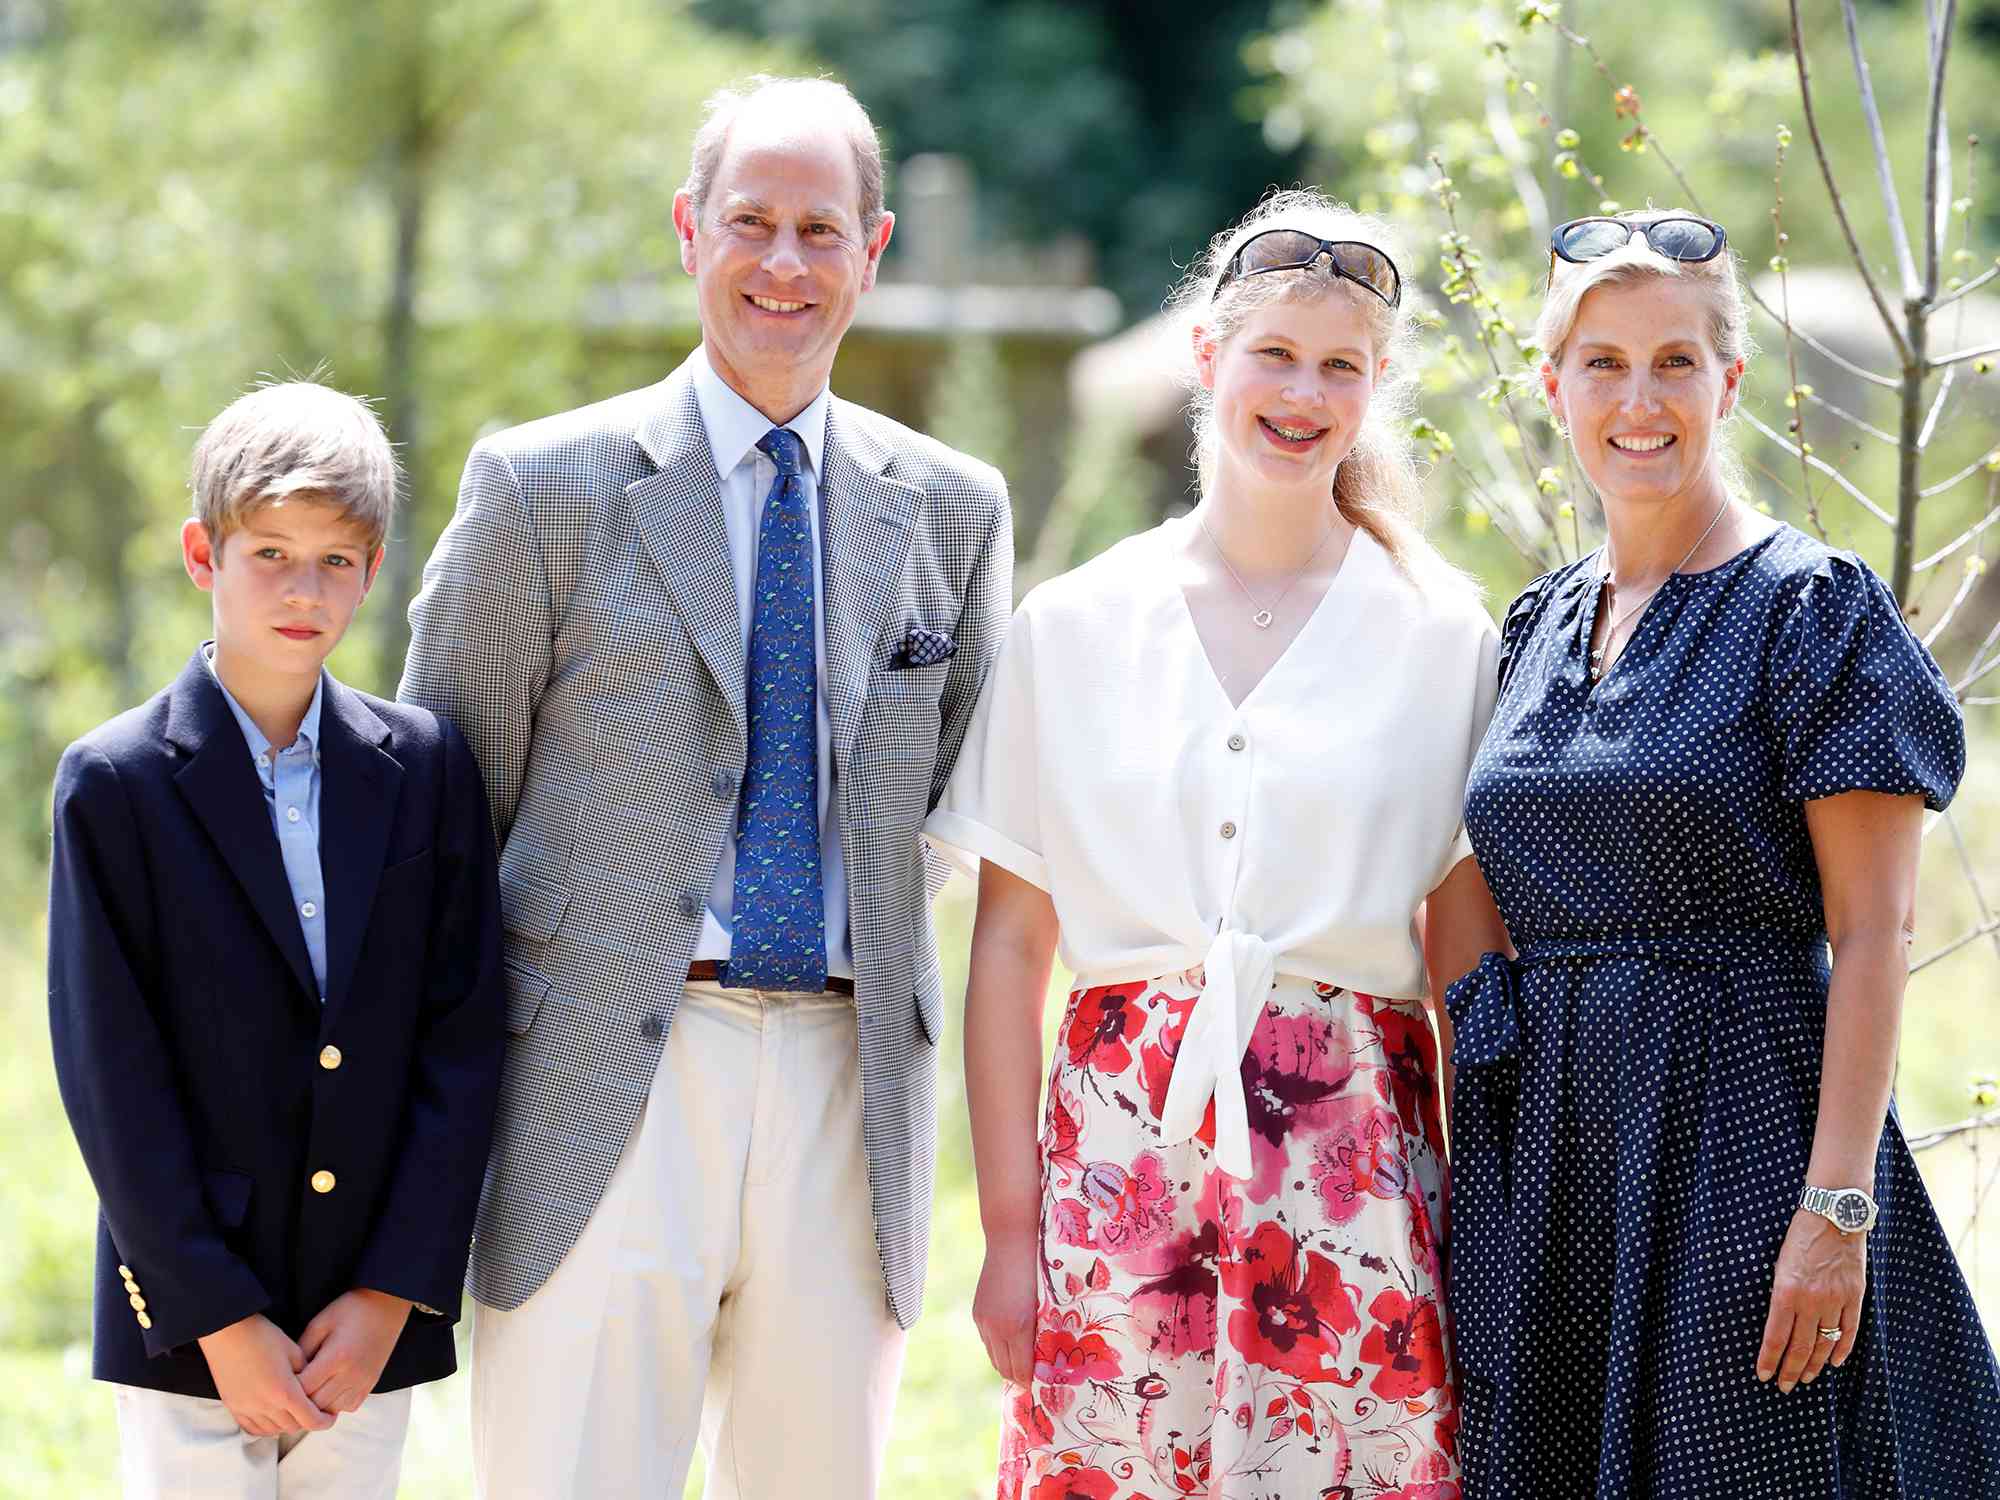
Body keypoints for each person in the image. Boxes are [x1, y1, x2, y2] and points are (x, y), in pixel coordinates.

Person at [398, 74, 1013, 1499]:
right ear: (689, 230)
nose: (784, 265)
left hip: (845, 1097)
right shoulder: (542, 489)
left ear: (876, 247)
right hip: (604, 1077)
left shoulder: (957, 510)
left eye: (820, 228)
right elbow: (439, 826)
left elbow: (945, 814)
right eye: (751, 222)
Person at [928, 189, 1508, 1499]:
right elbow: (1012, 950)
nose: (1304, 395)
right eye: (1277, 356)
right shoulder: (1071, 626)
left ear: (1374, 392)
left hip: (1358, 1170)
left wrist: (1479, 1233)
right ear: (1208, 359)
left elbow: (1463, 960)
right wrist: (1012, 1231)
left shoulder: (1442, 636)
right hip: (1120, 1166)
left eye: (1342, 368)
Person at [1447, 210, 2000, 1496]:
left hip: (1743, 1149)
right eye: (1601, 363)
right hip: (1554, 1164)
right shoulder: (1534, 622)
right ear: (1552, 385)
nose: (1637, 399)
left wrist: (1836, 1208)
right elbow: (1472, 886)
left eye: (1674, 363)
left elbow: (1873, 932)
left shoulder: (1811, 607)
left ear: (1728, 381)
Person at [47, 380, 505, 1500]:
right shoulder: (115, 784)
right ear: (204, 554)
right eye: (270, 554)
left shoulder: (426, 768)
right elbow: (112, 1076)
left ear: (376, 566)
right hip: (192, 1326)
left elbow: (463, 1041)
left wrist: (394, 1293)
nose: (304, 591)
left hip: (364, 1317)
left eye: (336, 561)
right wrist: (215, 1316)